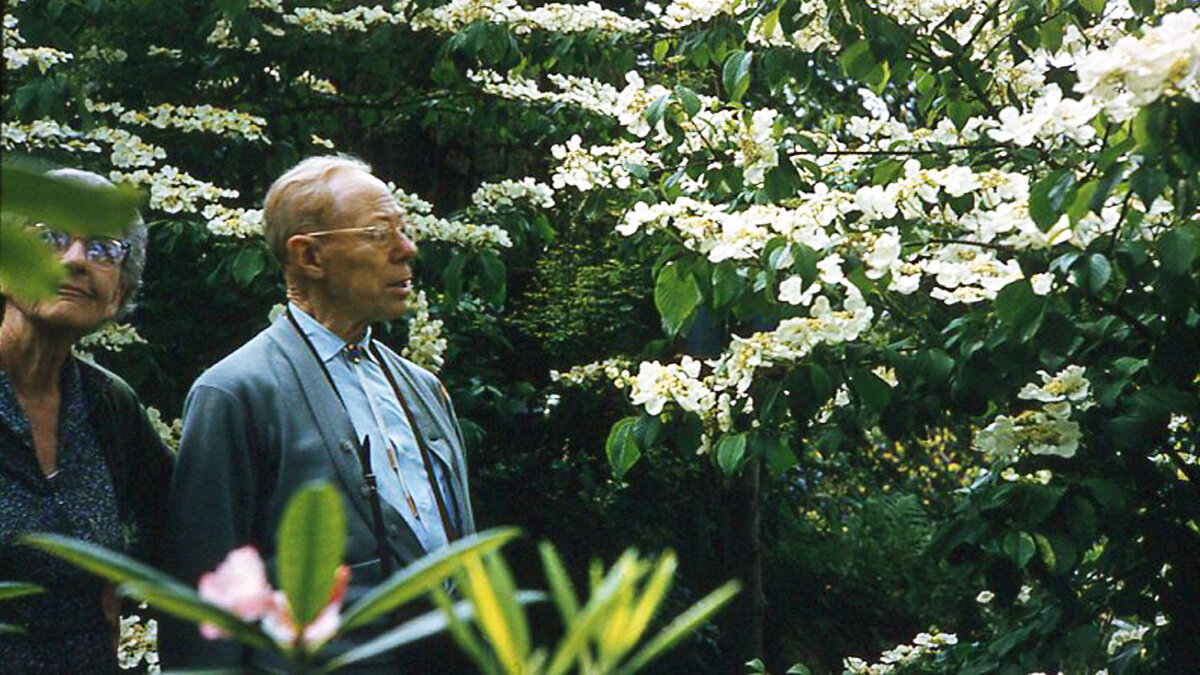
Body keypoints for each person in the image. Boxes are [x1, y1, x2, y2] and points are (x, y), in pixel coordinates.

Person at [160, 155, 476, 671]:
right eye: (379, 233)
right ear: (309, 256)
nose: (407, 250)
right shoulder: (236, 393)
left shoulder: (425, 390)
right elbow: (204, 606)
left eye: (404, 230)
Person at [0, 168, 174, 672]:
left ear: (117, 294)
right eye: (50, 238)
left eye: (103, 249)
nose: (76, 260)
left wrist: (127, 583)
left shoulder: (107, 405)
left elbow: (179, 519)